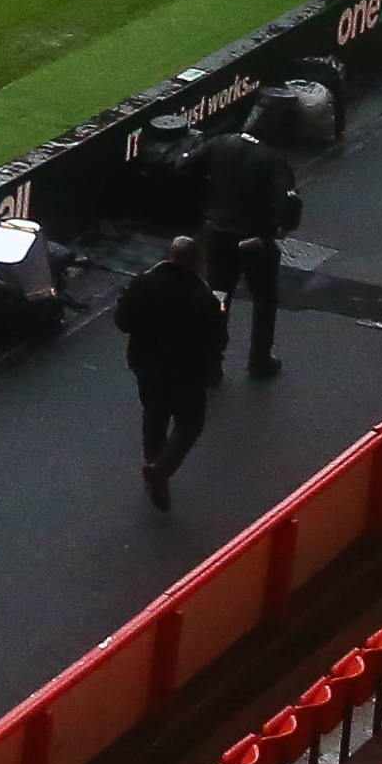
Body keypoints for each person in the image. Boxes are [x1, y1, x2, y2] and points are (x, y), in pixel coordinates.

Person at [196, 118, 302, 380]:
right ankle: (259, 359)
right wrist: (284, 228)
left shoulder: (221, 143)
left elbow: (182, 165)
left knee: (219, 296)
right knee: (264, 299)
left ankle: (211, 363)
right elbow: (288, 203)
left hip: (219, 236)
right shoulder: (273, 159)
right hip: (255, 241)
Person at [122, 233, 223, 508]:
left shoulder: (143, 284)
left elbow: (123, 321)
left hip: (146, 365)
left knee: (154, 416)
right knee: (190, 423)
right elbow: (217, 339)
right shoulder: (203, 297)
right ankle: (161, 469)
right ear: (195, 262)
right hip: (186, 372)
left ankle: (155, 472)